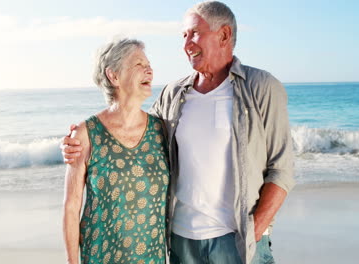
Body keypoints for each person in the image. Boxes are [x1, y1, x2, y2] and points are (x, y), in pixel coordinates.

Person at [62, 2, 295, 263]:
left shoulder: (261, 87)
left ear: (224, 35)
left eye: (194, 33)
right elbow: (133, 127)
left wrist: (255, 231)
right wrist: (81, 140)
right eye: (183, 36)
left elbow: (282, 169)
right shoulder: (173, 94)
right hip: (182, 242)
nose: (186, 44)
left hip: (237, 241)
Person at [62, 38, 169, 264]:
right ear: (114, 76)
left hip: (152, 258)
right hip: (101, 256)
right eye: (138, 64)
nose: (149, 69)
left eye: (148, 64)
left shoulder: (162, 131)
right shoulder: (86, 134)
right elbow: (72, 208)